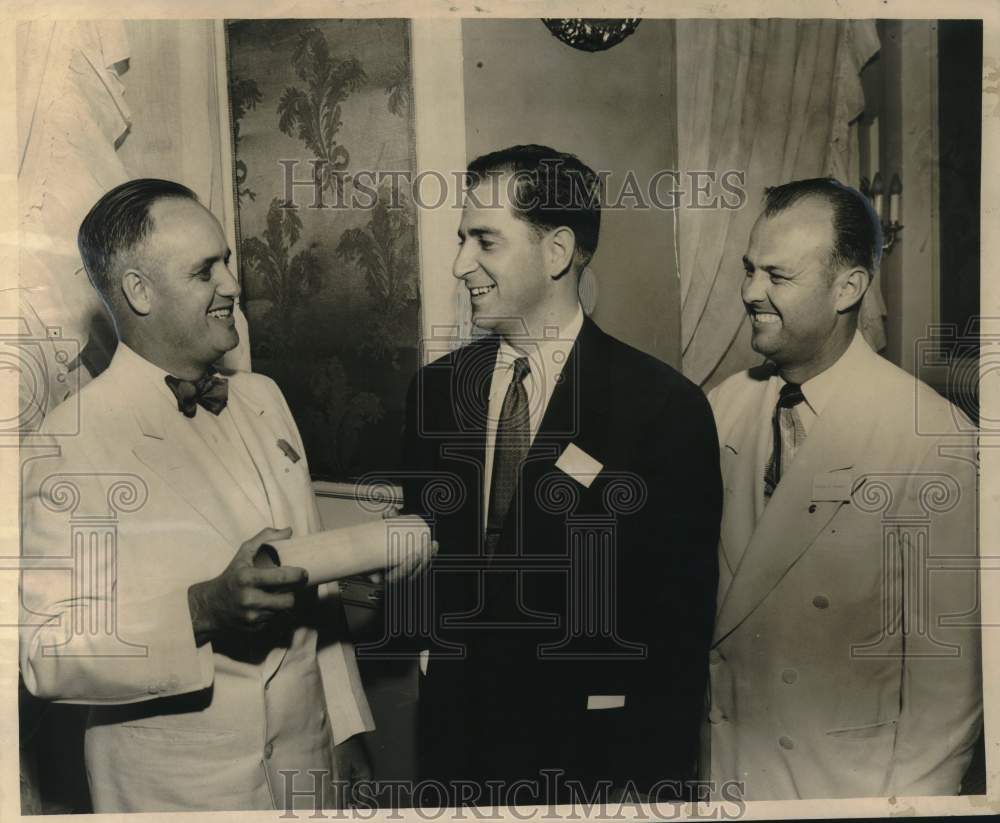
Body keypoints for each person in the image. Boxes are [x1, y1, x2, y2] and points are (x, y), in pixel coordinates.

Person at [19, 179, 375, 812]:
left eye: (228, 262)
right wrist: (200, 610)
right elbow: (50, 654)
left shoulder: (264, 399)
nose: (233, 285)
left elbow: (315, 585)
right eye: (206, 270)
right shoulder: (72, 443)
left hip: (308, 776)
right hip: (177, 796)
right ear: (138, 291)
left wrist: (345, 731)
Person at [399, 145, 721, 804]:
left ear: (557, 252)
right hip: (456, 760)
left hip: (595, 767)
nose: (461, 265)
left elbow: (677, 637)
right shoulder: (435, 393)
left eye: (484, 240)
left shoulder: (662, 408)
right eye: (462, 240)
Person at [705, 178, 981, 799]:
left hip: (844, 791)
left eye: (777, 277)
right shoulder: (722, 409)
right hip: (727, 779)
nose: (750, 293)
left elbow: (947, 692)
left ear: (848, 288)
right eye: (749, 270)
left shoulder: (932, 440)